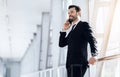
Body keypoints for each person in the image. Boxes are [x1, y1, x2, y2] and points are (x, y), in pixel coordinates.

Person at [59, 5, 98, 77]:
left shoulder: (83, 25)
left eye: (72, 12)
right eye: (68, 13)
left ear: (78, 13)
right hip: (70, 65)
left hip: (78, 65)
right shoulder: (72, 29)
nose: (69, 14)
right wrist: (64, 29)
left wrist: (94, 55)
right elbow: (61, 44)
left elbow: (92, 40)